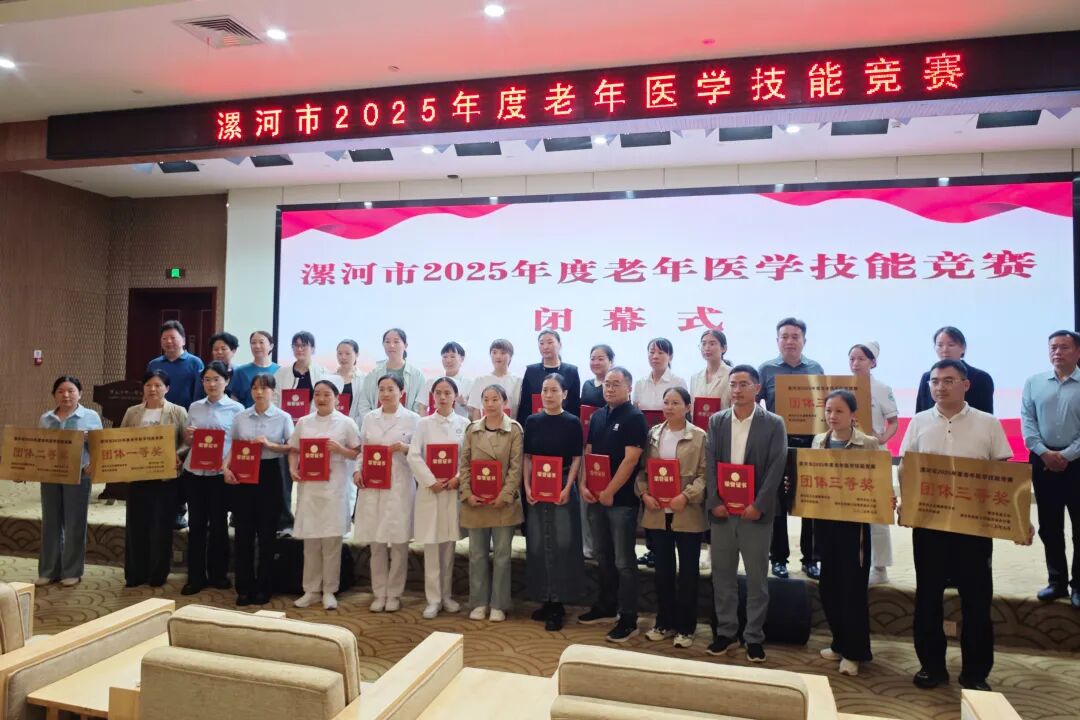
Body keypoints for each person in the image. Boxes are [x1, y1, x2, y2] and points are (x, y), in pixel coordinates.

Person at [900, 359, 1022, 692]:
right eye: (934, 381)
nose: (940, 387)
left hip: (974, 527)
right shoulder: (919, 422)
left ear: (966, 385)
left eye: (948, 380)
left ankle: (975, 672)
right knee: (928, 597)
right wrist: (906, 505)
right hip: (930, 526)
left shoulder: (988, 423)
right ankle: (931, 666)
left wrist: (1017, 520)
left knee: (977, 599)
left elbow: (1003, 473)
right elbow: (907, 467)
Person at [705, 365, 787, 663]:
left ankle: (753, 636)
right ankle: (726, 632)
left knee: (756, 579)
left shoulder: (773, 423)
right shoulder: (717, 421)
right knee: (722, 576)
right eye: (733, 384)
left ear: (757, 388)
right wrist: (714, 500)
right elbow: (710, 462)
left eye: (743, 384)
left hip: (755, 514)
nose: (737, 390)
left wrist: (760, 504)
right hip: (723, 512)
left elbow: (777, 465)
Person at [813, 390, 881, 676]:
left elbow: (878, 482)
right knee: (828, 586)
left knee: (852, 588)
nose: (832, 416)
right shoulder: (819, 441)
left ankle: (855, 652)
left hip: (855, 525)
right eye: (829, 410)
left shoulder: (868, 443)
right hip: (826, 521)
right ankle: (839, 642)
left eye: (839, 411)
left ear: (853, 415)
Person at [578, 367, 648, 643]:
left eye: (616, 384)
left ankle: (628, 618)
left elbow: (631, 460)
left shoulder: (635, 417)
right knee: (602, 555)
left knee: (623, 561)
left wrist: (609, 491)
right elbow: (589, 452)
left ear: (629, 388)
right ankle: (606, 606)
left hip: (621, 501)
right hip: (596, 498)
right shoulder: (597, 416)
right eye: (607, 384)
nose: (609, 388)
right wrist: (584, 484)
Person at [636, 387, 707, 649]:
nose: (669, 407)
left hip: (686, 513)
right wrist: (644, 494)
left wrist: (686, 496)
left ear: (688, 407)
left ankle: (686, 628)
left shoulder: (699, 436)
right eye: (666, 402)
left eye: (676, 403)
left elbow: (705, 474)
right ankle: (664, 622)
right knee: (663, 572)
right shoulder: (653, 434)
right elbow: (642, 472)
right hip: (657, 513)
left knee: (688, 573)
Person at [757, 317, 825, 581]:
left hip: (810, 443)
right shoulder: (766, 369)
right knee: (777, 503)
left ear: (804, 340)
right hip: (778, 443)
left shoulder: (815, 368)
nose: (789, 341)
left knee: (810, 503)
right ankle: (779, 558)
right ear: (777, 341)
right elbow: (756, 405)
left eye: (795, 336)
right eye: (784, 336)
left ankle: (811, 559)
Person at [1021, 330, 1080, 607]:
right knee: (1049, 525)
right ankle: (1057, 581)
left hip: (1077, 462)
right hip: (1042, 462)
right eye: (1053, 347)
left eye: (1064, 347)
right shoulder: (1034, 383)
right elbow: (1028, 421)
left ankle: (1078, 585)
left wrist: (1067, 455)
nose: (1057, 352)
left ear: (1077, 352)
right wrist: (1044, 452)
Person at [289, 380, 361, 610]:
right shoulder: (304, 422)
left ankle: (330, 590)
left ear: (337, 398)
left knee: (331, 542)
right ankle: (311, 590)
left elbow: (358, 453)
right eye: (317, 394)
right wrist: (292, 468)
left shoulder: (347, 423)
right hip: (310, 489)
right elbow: (294, 450)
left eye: (327, 394)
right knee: (311, 542)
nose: (321, 398)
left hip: (335, 488)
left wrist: (340, 450)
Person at [224, 373, 294, 606]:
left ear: (273, 392)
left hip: (270, 474)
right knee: (243, 533)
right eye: (255, 388)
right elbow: (233, 447)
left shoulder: (283, 417)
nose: (259, 392)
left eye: (264, 388)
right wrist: (226, 468)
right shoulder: (241, 416)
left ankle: (264, 587)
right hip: (244, 474)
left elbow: (291, 447)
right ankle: (244, 588)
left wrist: (269, 445)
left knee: (267, 535)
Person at [523, 374, 585, 632]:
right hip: (537, 488)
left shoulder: (572, 422)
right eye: (545, 390)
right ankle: (545, 598)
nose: (548, 395)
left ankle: (558, 604)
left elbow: (577, 458)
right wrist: (527, 487)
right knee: (538, 544)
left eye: (554, 390)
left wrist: (568, 487)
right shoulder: (532, 421)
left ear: (565, 394)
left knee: (562, 544)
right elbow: (527, 457)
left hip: (562, 486)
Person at [354, 375, 420, 612]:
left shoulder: (413, 419)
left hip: (399, 485)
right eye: (381, 389)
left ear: (401, 392)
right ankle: (379, 592)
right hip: (373, 486)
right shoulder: (370, 418)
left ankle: (394, 594)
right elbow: (363, 450)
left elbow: (420, 453)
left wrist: (405, 448)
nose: (385, 393)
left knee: (399, 543)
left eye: (390, 389)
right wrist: (357, 470)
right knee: (377, 543)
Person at [459, 384, 524, 622]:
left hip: (503, 505)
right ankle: (478, 602)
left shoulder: (514, 429)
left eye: (495, 399)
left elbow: (516, 467)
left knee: (502, 556)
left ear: (504, 402)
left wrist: (505, 496)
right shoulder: (472, 429)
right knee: (477, 555)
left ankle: (498, 603)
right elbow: (464, 464)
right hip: (475, 503)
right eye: (486, 399)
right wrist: (467, 493)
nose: (490, 404)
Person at [407, 377, 469, 619]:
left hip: (452, 490)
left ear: (455, 396)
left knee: (448, 546)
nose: (442, 397)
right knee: (432, 546)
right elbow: (414, 456)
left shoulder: (464, 424)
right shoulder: (423, 424)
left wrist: (457, 478)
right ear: (432, 396)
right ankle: (433, 599)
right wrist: (430, 480)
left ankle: (447, 596)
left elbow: (467, 458)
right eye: (438, 393)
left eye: (447, 393)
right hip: (430, 491)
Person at [180, 361, 243, 595]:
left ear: (226, 381)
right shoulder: (195, 407)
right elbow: (188, 441)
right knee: (196, 525)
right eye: (207, 380)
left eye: (217, 379)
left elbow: (238, 443)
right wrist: (189, 437)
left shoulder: (237, 409)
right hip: (195, 473)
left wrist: (227, 466)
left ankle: (218, 574)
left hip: (219, 474)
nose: (212, 384)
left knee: (218, 525)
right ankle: (195, 577)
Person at [121, 370, 187, 588]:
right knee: (136, 525)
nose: (153, 389)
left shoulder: (177, 411)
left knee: (161, 527)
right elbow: (120, 438)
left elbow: (186, 442)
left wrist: (177, 455)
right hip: (137, 476)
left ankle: (157, 574)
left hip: (164, 479)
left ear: (167, 388)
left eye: (158, 385)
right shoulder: (132, 412)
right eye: (148, 385)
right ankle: (135, 573)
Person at [35, 376, 103, 587]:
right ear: (54, 395)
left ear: (80, 394)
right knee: (50, 522)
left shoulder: (90, 416)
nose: (66, 395)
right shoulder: (46, 418)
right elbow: (38, 447)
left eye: (71, 391)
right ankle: (49, 570)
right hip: (50, 475)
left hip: (79, 474)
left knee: (74, 523)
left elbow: (101, 447)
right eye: (61, 391)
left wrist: (91, 453)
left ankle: (71, 571)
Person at [633, 337, 688, 567]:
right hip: (648, 443)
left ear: (670, 356)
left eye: (661, 353)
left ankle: (668, 548)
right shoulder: (640, 383)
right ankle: (652, 548)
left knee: (669, 492)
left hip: (672, 443)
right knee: (650, 495)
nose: (655, 357)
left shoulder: (678, 381)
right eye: (651, 352)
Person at [849, 341, 899, 586]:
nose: (855, 363)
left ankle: (879, 567)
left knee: (877, 511)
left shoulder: (881, 388)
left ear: (873, 362)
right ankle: (850, 561)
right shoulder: (842, 388)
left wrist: (882, 439)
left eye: (861, 359)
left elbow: (894, 422)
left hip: (874, 455)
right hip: (848, 456)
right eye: (852, 359)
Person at [273, 331, 326, 536]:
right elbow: (275, 400)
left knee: (313, 478)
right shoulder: (282, 373)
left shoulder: (322, 372)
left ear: (313, 348)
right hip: (287, 432)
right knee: (284, 478)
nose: (300, 349)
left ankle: (311, 520)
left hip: (313, 432)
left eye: (304, 345)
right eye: (296, 345)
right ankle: (285, 521)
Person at [578, 344, 614, 560]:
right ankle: (587, 545)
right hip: (588, 446)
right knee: (587, 498)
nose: (596, 362)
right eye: (593, 358)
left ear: (611, 361)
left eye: (601, 358)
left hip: (610, 448)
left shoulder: (615, 384)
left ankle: (606, 547)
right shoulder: (587, 385)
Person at [915, 326, 995, 413]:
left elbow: (986, 415)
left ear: (963, 348)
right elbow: (920, 413)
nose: (945, 350)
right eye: (940, 345)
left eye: (951, 345)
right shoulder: (927, 377)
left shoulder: (981, 378)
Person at [517, 330, 581, 426]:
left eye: (550, 342)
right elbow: (525, 405)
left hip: (564, 425)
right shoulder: (531, 371)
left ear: (559, 345)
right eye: (541, 343)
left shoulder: (571, 371)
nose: (545, 347)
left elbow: (574, 405)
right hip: (536, 425)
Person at [357, 328, 425, 414]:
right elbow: (364, 404)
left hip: (408, 422)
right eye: (387, 342)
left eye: (396, 342)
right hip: (376, 421)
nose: (391, 345)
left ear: (405, 345)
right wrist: (372, 420)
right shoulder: (373, 374)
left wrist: (409, 421)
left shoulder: (417, 375)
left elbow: (420, 406)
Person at [147, 320, 204, 410]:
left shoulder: (195, 363)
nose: (168, 341)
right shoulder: (153, 364)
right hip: (158, 413)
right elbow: (148, 392)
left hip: (187, 414)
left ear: (183, 341)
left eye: (173, 338)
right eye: (164, 338)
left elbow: (199, 394)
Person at [469, 338, 522, 420]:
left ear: (510, 356)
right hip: (484, 426)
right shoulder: (480, 380)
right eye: (494, 352)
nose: (498, 356)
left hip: (511, 425)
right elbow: (475, 409)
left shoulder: (518, 381)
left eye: (503, 353)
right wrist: (478, 427)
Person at [417, 342, 473, 418]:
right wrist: (424, 423)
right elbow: (422, 407)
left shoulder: (469, 384)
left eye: (452, 357)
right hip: (434, 423)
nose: (448, 360)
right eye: (445, 357)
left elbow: (474, 412)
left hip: (459, 424)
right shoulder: (432, 382)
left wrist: (463, 403)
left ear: (462, 359)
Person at [231, 331, 279, 408]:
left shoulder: (280, 370)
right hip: (248, 414)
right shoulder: (240, 371)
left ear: (271, 346)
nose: (257, 346)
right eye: (253, 343)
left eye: (261, 342)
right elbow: (234, 399)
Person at [690, 330, 732, 412]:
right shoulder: (695, 377)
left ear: (724, 348)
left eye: (712, 344)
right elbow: (693, 408)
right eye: (703, 344)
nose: (707, 348)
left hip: (724, 420)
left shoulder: (732, 374)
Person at [326, 339, 366, 421]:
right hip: (332, 423)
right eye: (340, 353)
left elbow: (365, 406)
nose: (343, 357)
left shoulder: (364, 379)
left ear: (357, 354)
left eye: (347, 353)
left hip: (356, 424)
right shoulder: (329, 378)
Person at [203, 331, 239, 399]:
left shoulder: (239, 372)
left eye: (223, 349)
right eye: (216, 349)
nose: (219, 352)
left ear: (233, 351)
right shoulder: (204, 373)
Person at [581, 344, 614, 409]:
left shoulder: (616, 386)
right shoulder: (587, 384)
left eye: (600, 359)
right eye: (592, 359)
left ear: (611, 362)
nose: (595, 363)